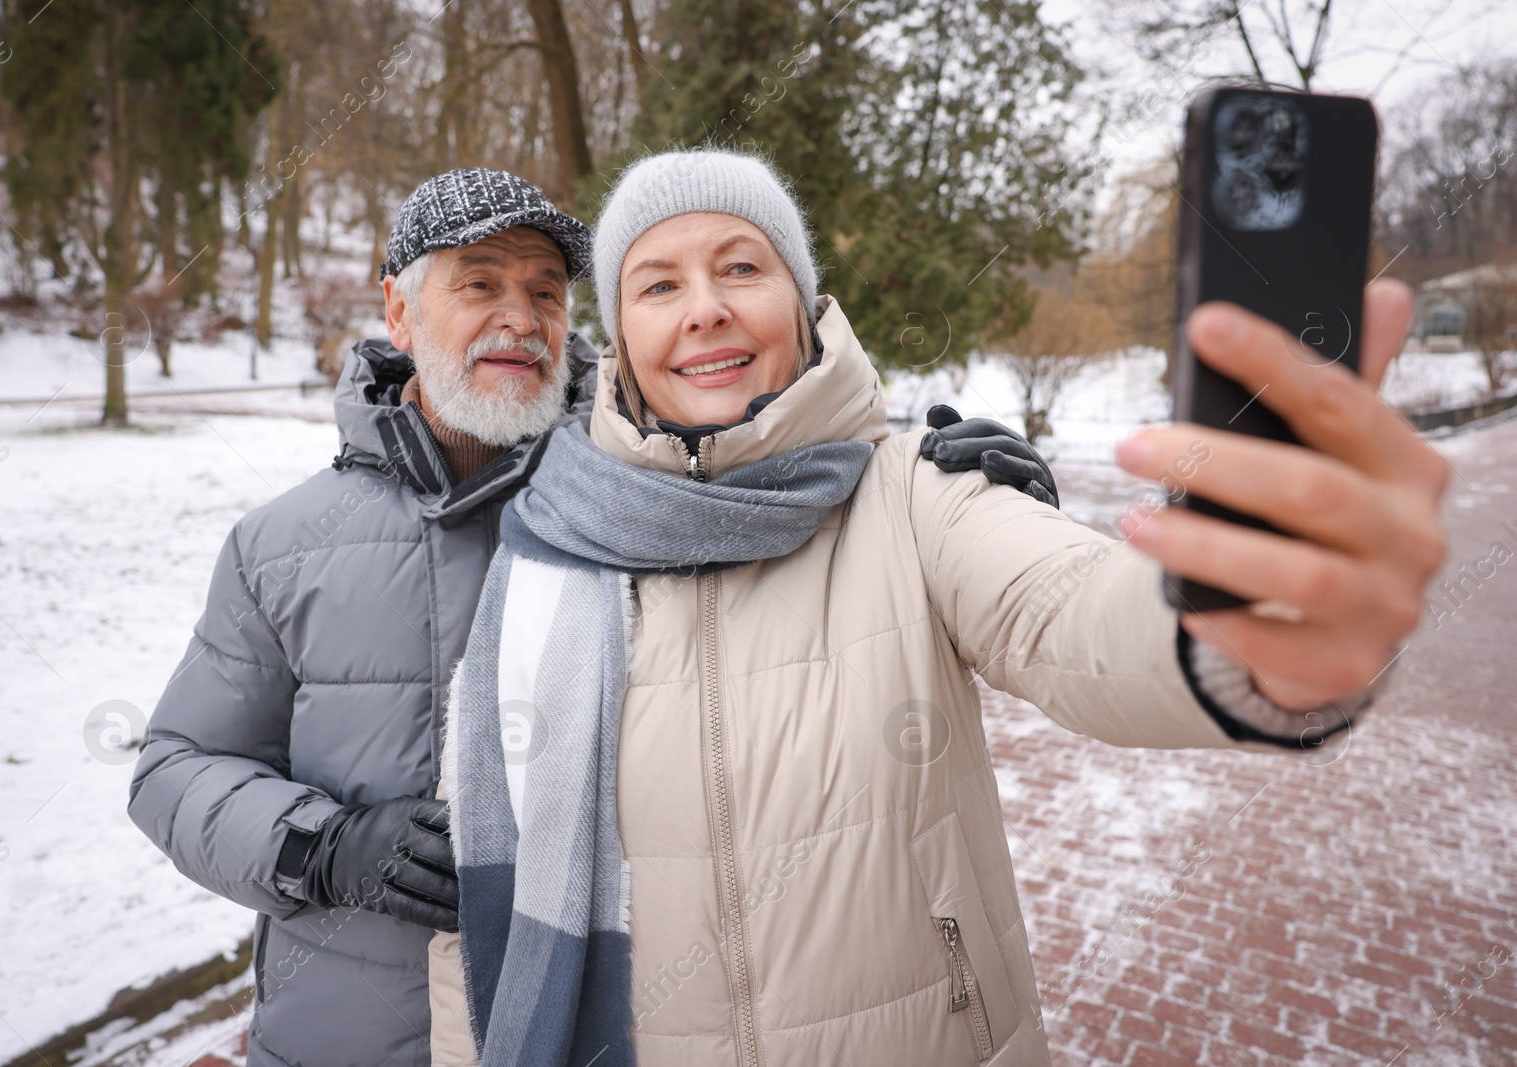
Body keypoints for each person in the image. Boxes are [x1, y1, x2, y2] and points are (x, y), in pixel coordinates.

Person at [428, 150, 1447, 1067]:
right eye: (657, 283)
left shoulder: (914, 490)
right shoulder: (548, 543)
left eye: (741, 266)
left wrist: (1253, 624)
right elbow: (481, 920)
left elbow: (1078, 612)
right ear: (620, 333)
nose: (703, 308)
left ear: (803, 298)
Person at [128, 165, 1049, 1067]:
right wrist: (321, 846)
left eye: (545, 291)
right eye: (479, 285)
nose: (521, 319)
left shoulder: (647, 500)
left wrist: (920, 470)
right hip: (345, 1032)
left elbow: (776, 459)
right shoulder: (280, 545)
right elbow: (172, 768)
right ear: (399, 313)